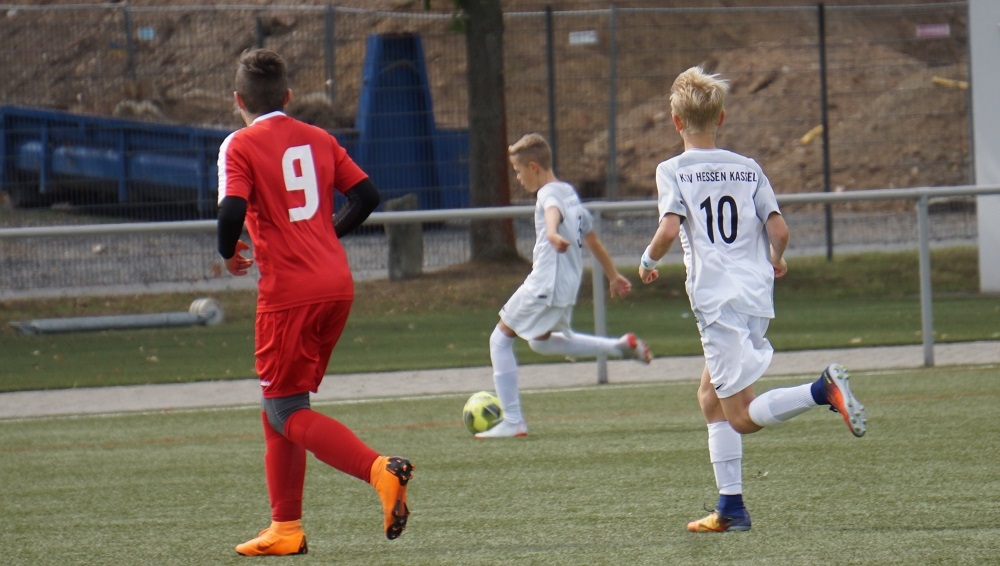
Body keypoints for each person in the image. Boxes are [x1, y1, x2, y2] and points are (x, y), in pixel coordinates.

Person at [638, 66, 867, 532]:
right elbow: (779, 231)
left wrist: (647, 261)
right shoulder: (749, 167)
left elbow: (668, 229)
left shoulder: (672, 169)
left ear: (676, 123)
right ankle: (731, 508)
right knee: (709, 397)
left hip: (715, 300)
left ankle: (821, 390)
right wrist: (776, 260)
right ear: (721, 117)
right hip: (755, 292)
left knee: (740, 417)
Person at [216, 48, 413, 556]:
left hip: (289, 294)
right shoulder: (319, 138)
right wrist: (326, 236)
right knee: (279, 406)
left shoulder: (239, 144)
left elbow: (232, 209)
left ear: (238, 100)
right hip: (336, 284)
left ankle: (380, 470)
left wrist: (228, 251)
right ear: (288, 96)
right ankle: (286, 528)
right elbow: (366, 197)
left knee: (284, 409)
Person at [476, 133, 653, 439]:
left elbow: (551, 211)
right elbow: (592, 238)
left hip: (545, 282)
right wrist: (613, 275)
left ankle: (514, 421)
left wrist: (551, 232)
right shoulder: (569, 192)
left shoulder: (548, 194)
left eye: (518, 171)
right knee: (540, 342)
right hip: (566, 286)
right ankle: (618, 347)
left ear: (533, 167)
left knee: (499, 339)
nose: (518, 178)